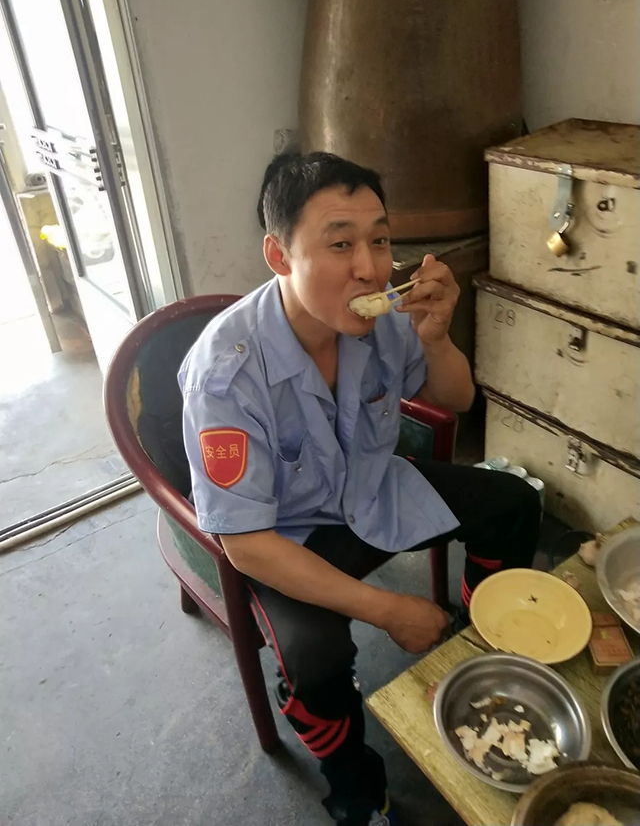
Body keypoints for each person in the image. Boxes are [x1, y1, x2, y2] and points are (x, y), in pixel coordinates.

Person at [178, 152, 540, 826]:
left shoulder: (386, 319)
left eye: (380, 239)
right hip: (288, 537)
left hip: (373, 489)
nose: (371, 268)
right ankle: (356, 791)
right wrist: (387, 609)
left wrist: (437, 338)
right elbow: (246, 543)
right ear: (279, 256)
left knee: (515, 504)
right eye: (340, 244)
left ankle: (481, 645)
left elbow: (456, 398)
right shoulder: (225, 374)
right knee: (316, 658)